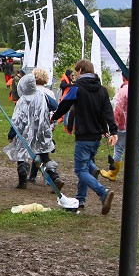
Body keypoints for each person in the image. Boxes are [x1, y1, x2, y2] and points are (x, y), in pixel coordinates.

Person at [50, 59, 117, 214]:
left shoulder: (76, 88)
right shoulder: (102, 90)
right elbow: (107, 112)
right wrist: (112, 131)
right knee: (86, 166)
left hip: (83, 135)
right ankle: (80, 199)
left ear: (80, 71)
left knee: (80, 170)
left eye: (76, 71)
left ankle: (103, 193)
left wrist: (54, 117)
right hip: (96, 137)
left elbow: (65, 105)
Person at [5, 71, 63, 191]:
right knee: (44, 156)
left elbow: (17, 120)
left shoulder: (23, 100)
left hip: (25, 131)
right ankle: (55, 177)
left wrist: (12, 134)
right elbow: (55, 106)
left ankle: (23, 181)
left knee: (21, 153)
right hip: (42, 130)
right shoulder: (43, 95)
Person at [100, 74, 139, 184]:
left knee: (119, 149)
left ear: (123, 77)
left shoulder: (123, 91)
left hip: (124, 126)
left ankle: (112, 174)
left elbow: (118, 110)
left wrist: (113, 127)